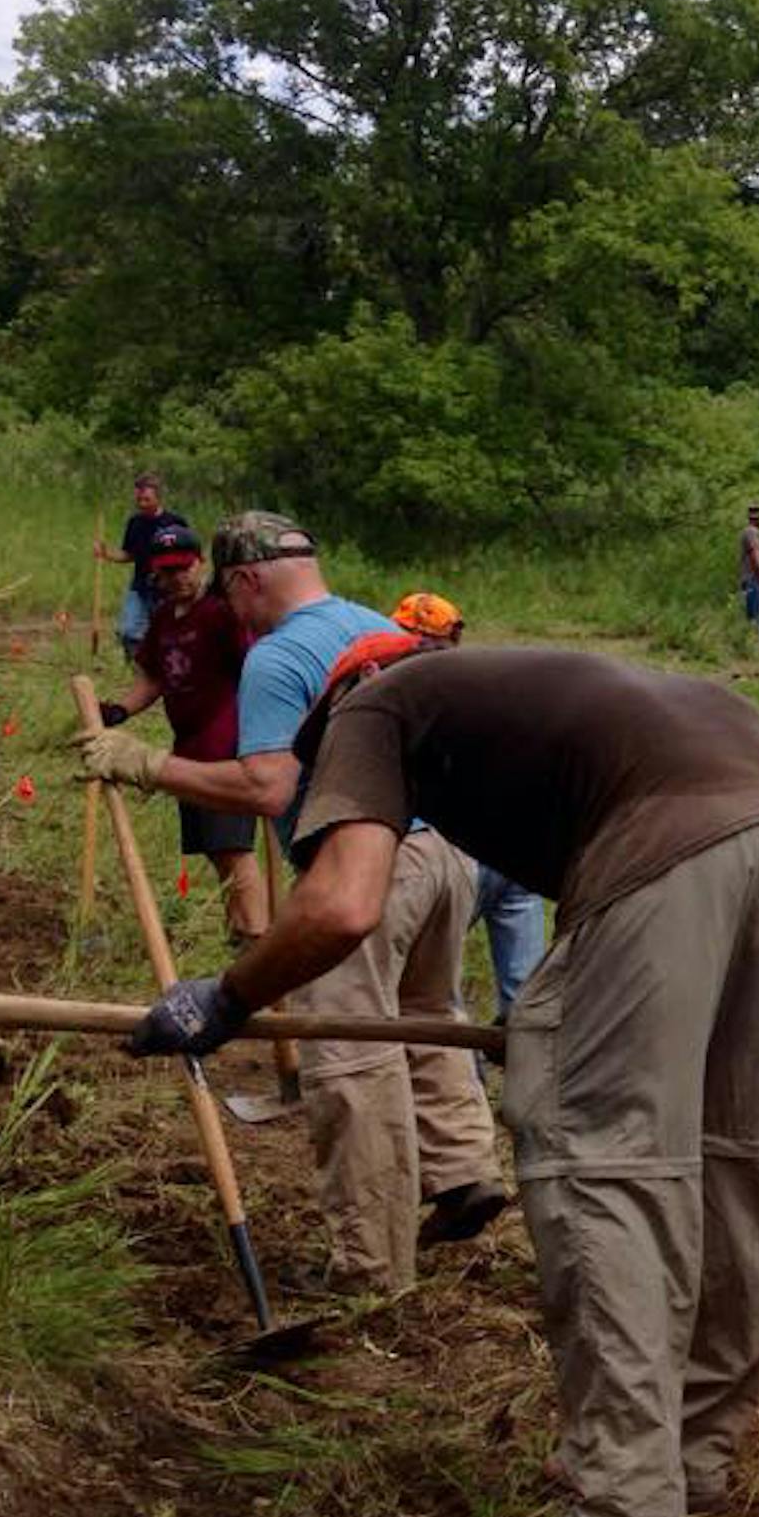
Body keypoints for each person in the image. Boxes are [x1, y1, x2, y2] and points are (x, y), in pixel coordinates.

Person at [126, 636, 759, 1517]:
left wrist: (226, 999)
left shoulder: (369, 709)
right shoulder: (519, 693)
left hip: (668, 834)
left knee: (596, 1161)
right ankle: (685, 1460)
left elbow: (343, 904)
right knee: (733, 1152)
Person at [76, 512, 502, 1294]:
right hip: (450, 854)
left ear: (245, 580)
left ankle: (371, 1268)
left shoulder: (275, 657)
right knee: (427, 1009)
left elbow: (265, 785)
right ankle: (465, 1169)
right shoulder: (374, 623)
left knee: (349, 1049)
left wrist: (146, 765)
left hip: (369, 858)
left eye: (230, 594)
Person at [388, 589, 549, 1036]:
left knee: (437, 988)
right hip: (517, 848)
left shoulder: (413, 699)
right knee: (526, 992)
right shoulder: (487, 684)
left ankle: (469, 1085)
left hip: (463, 853)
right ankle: (534, 1091)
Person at [97, 526, 267, 944]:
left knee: (233, 849)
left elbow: (256, 665)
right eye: (167, 572)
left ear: (201, 565)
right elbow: (153, 678)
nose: (176, 579)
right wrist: (119, 710)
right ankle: (238, 932)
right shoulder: (162, 620)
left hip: (226, 749)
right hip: (188, 750)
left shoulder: (221, 614)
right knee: (215, 849)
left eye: (184, 569)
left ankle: (257, 935)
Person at [94, 472, 188, 663]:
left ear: (158, 498)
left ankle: (165, 666)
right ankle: (135, 668)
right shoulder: (135, 523)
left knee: (167, 632)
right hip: (140, 586)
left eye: (147, 499)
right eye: (139, 499)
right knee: (127, 630)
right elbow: (129, 554)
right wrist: (106, 554)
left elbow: (190, 556)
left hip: (167, 587)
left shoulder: (175, 523)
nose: (142, 503)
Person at [738, 503, 759, 632]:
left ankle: (755, 644)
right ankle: (757, 645)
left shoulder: (754, 533)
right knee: (757, 618)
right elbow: (755, 554)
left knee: (757, 617)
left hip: (754, 581)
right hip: (756, 581)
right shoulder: (752, 532)